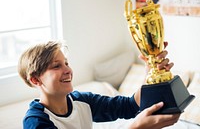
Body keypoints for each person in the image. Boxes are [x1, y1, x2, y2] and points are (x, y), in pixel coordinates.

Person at [18, 41, 180, 129]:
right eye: (56, 66)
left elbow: (129, 106)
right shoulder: (36, 122)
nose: (68, 70)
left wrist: (150, 72)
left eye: (66, 63)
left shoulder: (81, 101)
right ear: (35, 80)